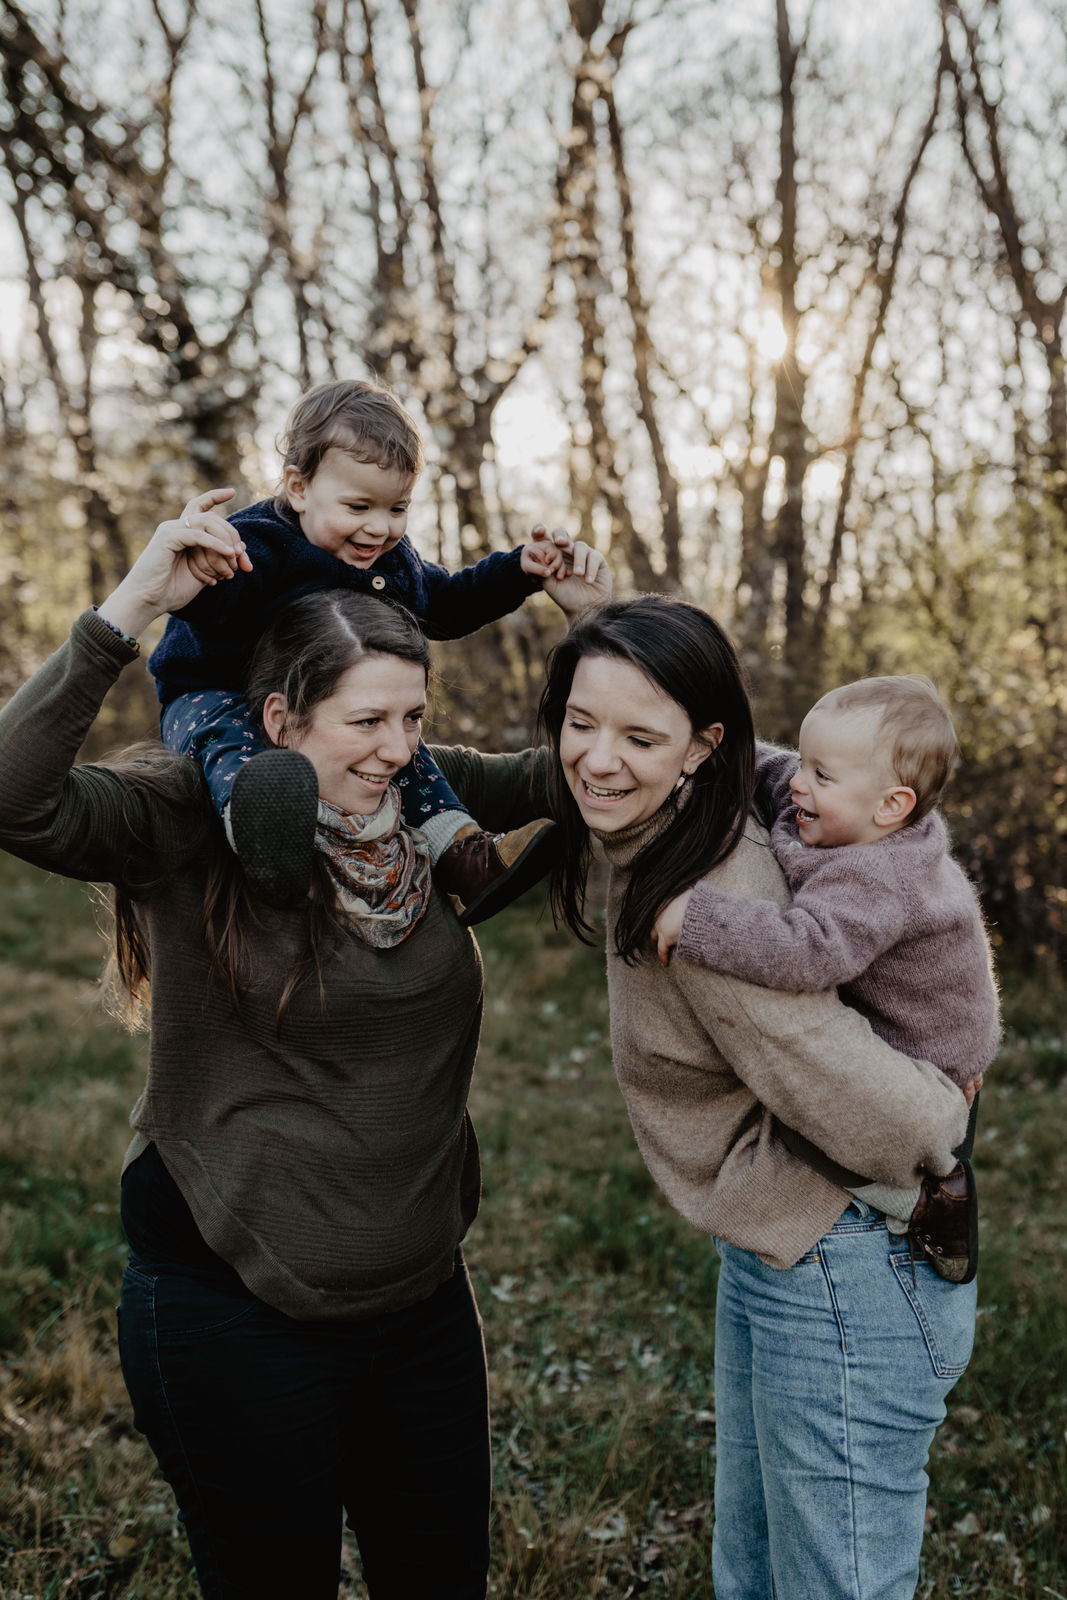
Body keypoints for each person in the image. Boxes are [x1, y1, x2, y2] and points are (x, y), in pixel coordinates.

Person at [0, 508, 553, 1600]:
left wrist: (613, 639)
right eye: (366, 720)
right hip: (232, 1300)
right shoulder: (186, 809)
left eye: (413, 715)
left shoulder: (418, 793)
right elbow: (15, 797)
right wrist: (133, 607)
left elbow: (587, 771)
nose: (397, 748)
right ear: (276, 719)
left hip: (421, 1303)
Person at [510, 594, 975, 1600]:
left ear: (695, 747)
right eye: (580, 723)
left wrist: (947, 1113)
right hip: (790, 1240)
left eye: (637, 735)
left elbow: (900, 1118)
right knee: (759, 1571)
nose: (595, 757)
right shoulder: (687, 815)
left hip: (849, 1254)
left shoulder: (713, 892)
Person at [148, 377, 610, 917]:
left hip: (327, 712)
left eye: (397, 509)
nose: (378, 528)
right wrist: (204, 572)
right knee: (232, 743)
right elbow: (213, 612)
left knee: (397, 747)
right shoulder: (259, 545)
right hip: (210, 690)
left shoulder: (391, 562)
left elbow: (446, 602)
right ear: (298, 488)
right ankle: (261, 837)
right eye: (358, 505)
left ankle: (464, 859)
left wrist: (517, 572)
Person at [647, 674, 999, 1281]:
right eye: (807, 762)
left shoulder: (876, 874)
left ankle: (935, 1200)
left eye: (822, 776)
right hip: (908, 1015)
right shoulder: (842, 806)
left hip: (928, 1053)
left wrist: (702, 918)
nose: (799, 783)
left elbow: (809, 950)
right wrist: (701, 745)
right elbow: (769, 768)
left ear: (892, 805)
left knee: (837, 1126)